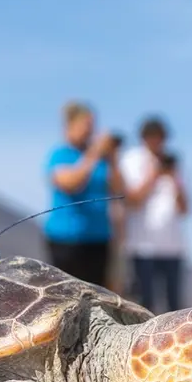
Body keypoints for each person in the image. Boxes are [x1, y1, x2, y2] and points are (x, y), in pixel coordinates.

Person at [43, 101, 123, 288]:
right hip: (65, 239)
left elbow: (119, 190)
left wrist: (112, 160)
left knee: (98, 293)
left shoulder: (103, 160)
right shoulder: (60, 154)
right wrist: (93, 153)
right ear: (70, 125)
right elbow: (71, 184)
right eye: (86, 125)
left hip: (99, 237)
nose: (90, 130)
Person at [120, 116, 191, 314]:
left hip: (173, 247)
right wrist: (153, 176)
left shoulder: (174, 164)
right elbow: (131, 200)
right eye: (153, 137)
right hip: (143, 246)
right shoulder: (132, 160)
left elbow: (185, 209)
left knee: (174, 307)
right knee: (143, 305)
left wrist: (174, 179)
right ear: (144, 139)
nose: (157, 142)